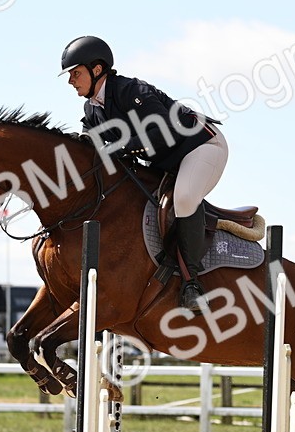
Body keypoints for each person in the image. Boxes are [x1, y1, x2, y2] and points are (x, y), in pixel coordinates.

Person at [60, 35, 227, 312]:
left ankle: (192, 284)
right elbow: (91, 147)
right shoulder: (92, 110)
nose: (71, 81)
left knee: (184, 198)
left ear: (97, 69)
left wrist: (120, 147)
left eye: (75, 73)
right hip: (166, 161)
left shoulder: (130, 90)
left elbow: (163, 131)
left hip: (201, 146)